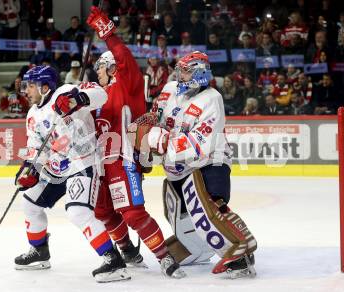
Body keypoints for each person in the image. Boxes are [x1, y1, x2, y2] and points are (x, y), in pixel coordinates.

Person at [86, 6, 185, 279]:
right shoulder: (98, 94)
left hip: (123, 159)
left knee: (131, 213)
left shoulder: (126, 84)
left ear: (111, 67)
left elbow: (124, 56)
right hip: (100, 165)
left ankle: (165, 258)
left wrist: (107, 33)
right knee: (101, 210)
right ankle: (127, 250)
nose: (97, 73)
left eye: (100, 68)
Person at [139, 51, 257, 279]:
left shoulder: (212, 99)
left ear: (199, 73)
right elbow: (157, 118)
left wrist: (161, 142)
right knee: (178, 213)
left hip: (210, 161)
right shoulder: (170, 90)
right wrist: (146, 138)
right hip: (177, 167)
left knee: (209, 206)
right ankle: (195, 248)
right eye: (179, 69)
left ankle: (240, 253)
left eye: (185, 70)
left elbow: (199, 144)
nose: (178, 74)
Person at [13, 65, 130, 282]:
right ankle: (39, 251)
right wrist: (31, 169)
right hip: (56, 168)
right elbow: (37, 147)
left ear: (45, 87)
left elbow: (100, 94)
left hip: (82, 162)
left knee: (77, 212)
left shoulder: (65, 91)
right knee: (29, 202)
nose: (26, 91)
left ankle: (113, 260)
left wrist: (77, 100)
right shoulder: (32, 114)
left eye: (30, 86)